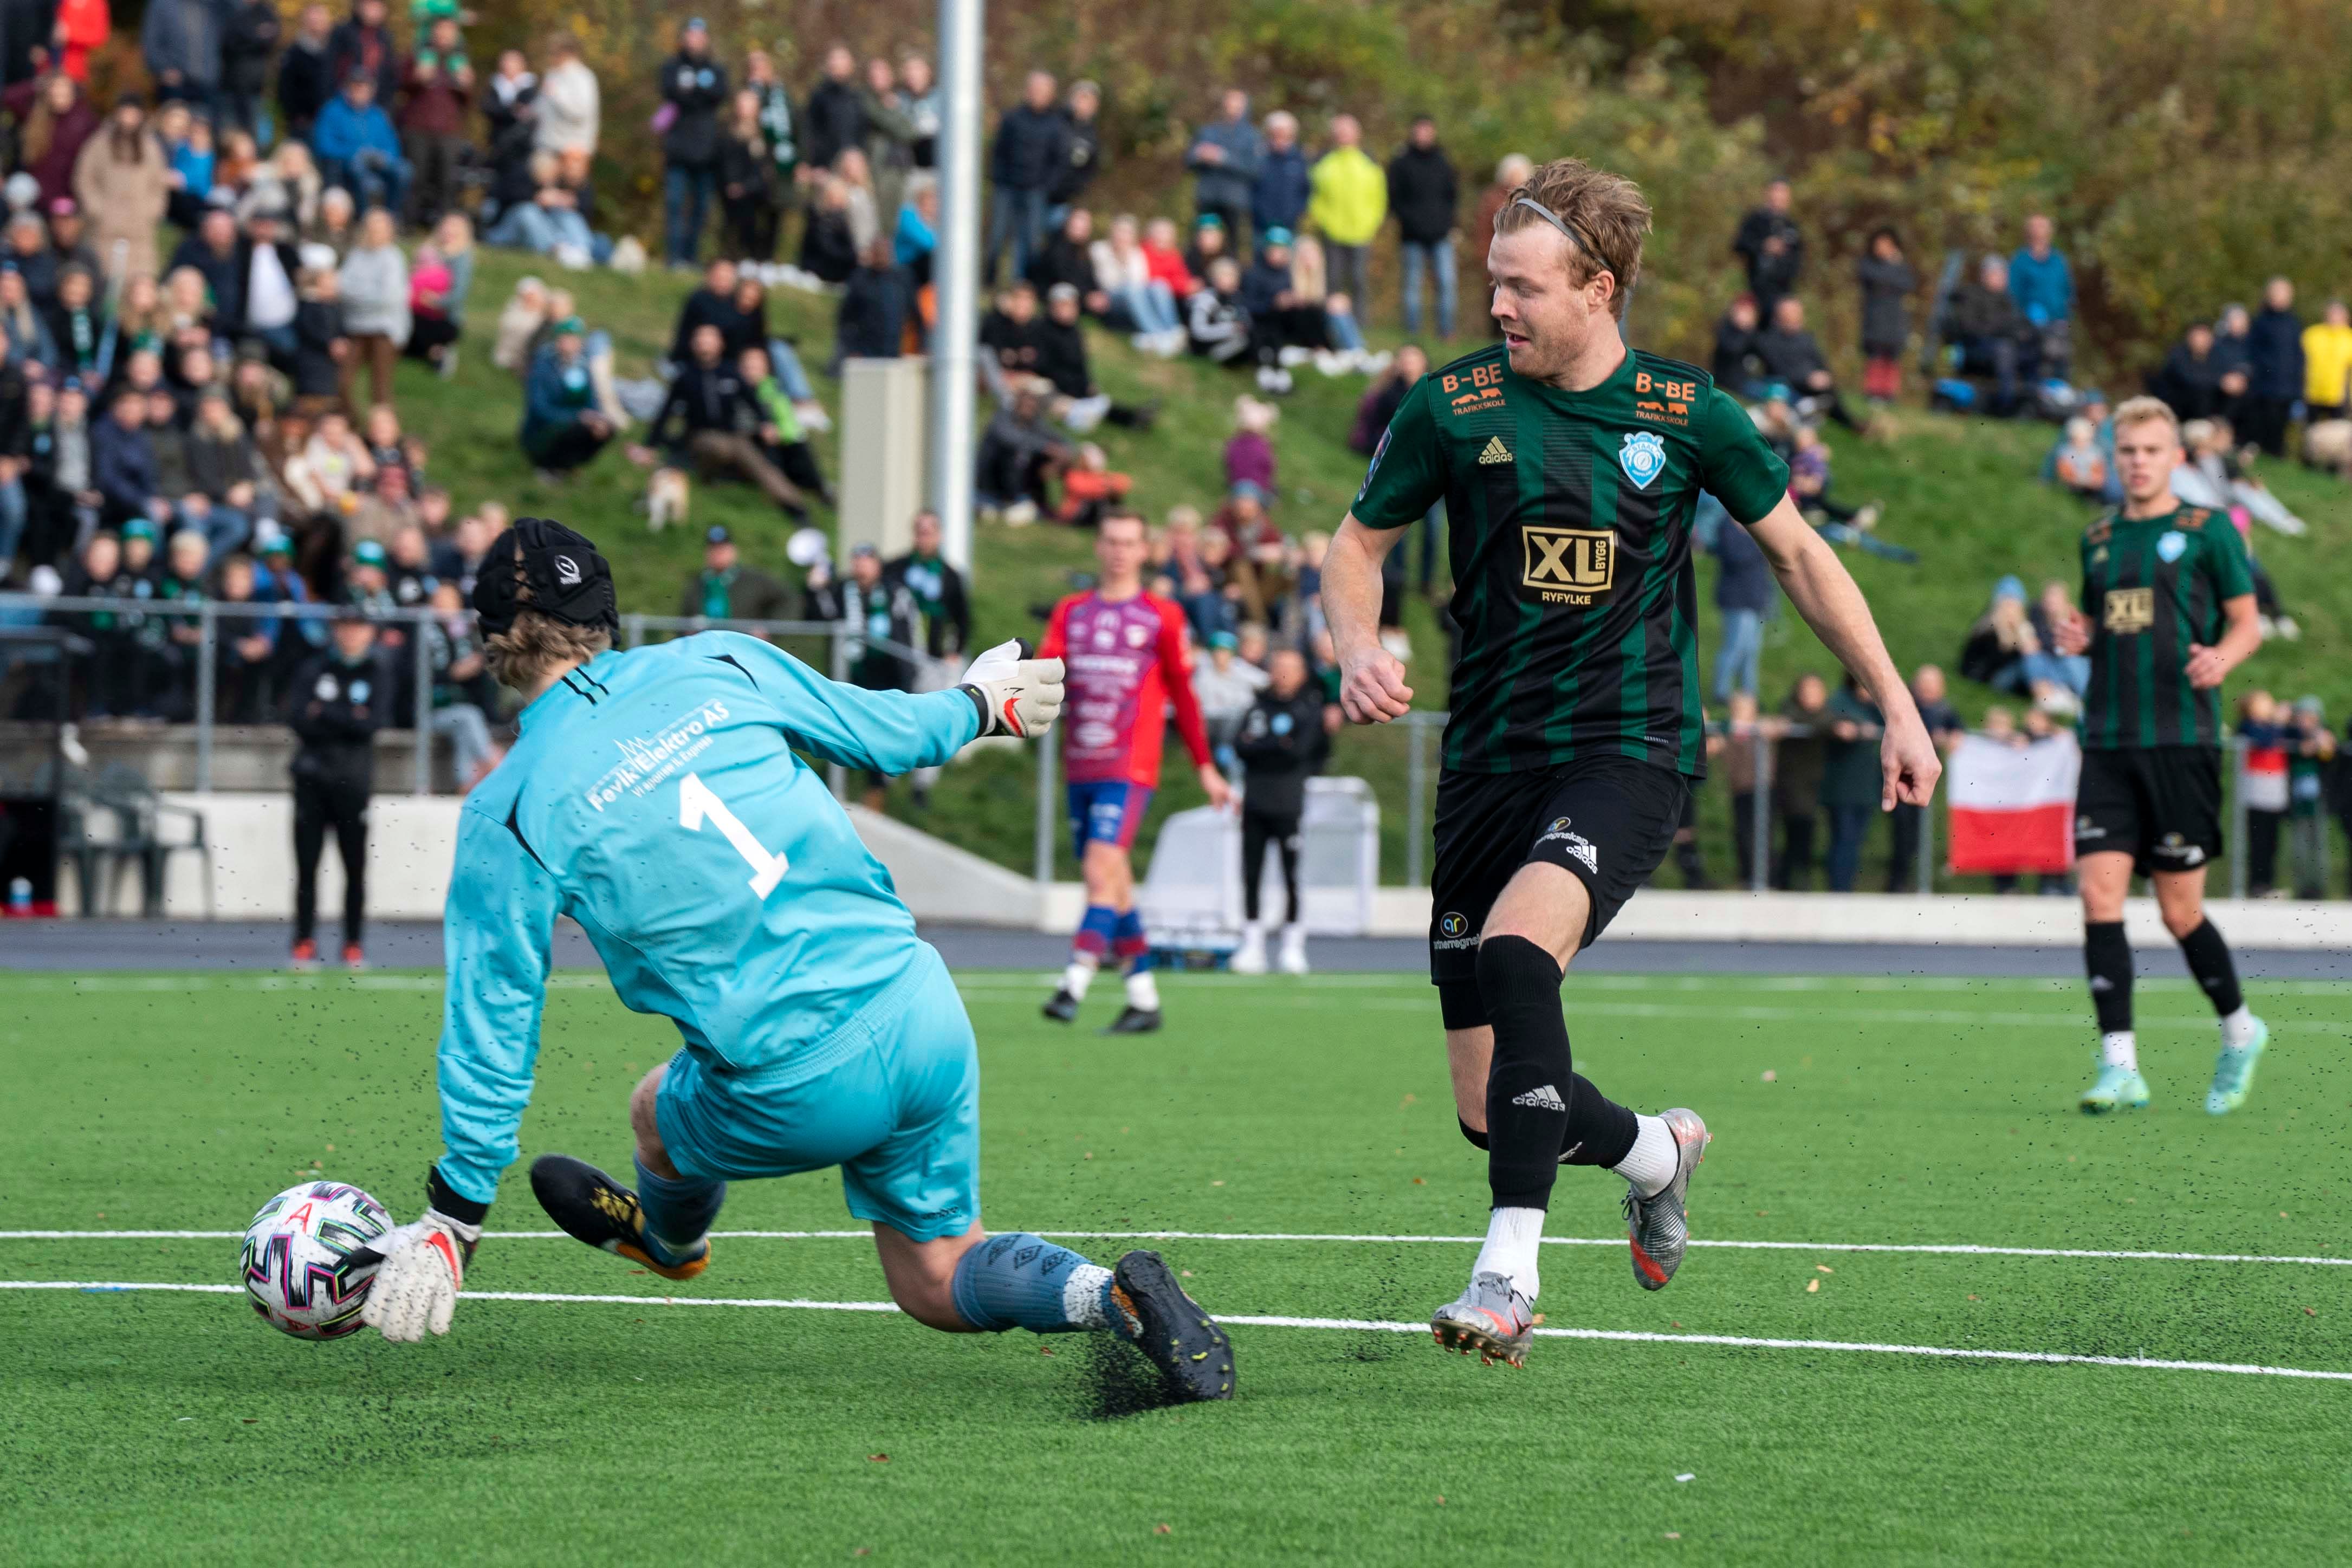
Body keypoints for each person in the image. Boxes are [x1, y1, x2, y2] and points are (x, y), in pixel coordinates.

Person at [352, 521, 1233, 1407]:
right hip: (920, 1008)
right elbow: (887, 733)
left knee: (655, 1108)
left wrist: (456, 1212)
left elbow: (496, 1016)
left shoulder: (506, 809)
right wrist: (978, 701)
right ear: (606, 612)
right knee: (940, 1271)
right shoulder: (721, 659)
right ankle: (1112, 1295)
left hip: (794, 1085)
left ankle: (671, 1245)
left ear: (487, 638)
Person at [1327, 155, 1938, 1368]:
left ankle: (1508, 1275)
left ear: (1597, 288)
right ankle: (1658, 1152)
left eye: (1521, 286)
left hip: (1627, 750)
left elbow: (1801, 558)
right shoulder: (1452, 406)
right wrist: (1355, 642)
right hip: (1486, 763)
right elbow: (1355, 546)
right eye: (1492, 281)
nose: (1496, 305)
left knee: (1517, 953)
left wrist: (1897, 704)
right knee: (1485, 1104)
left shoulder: (1686, 411)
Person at [2040, 397, 2266, 1114]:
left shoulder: (2208, 530)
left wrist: (2223, 656)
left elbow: (2247, 621)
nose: (2138, 462)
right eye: (2128, 451)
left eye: (2151, 450)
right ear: (2114, 457)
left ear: (2176, 457)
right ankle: (2120, 1066)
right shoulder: (2099, 537)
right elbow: (2103, 623)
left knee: (2178, 910)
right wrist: (2082, 638)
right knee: (2098, 896)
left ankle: (2240, 1030)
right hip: (2108, 741)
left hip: (2181, 740)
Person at [1038, 509, 1230, 1032]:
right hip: (1081, 762)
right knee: (1115, 879)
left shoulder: (1161, 615)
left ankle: (1073, 981)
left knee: (1099, 870)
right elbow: (1044, 672)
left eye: (1129, 542)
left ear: (1145, 551)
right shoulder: (1071, 611)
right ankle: (1143, 999)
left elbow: (1184, 695)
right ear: (1098, 547)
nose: (1119, 551)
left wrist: (1206, 766)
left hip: (1130, 763)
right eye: (1111, 541)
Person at [287, 604, 388, 969]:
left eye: (358, 627)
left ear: (369, 632)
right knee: (307, 866)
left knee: (355, 868)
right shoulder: (313, 669)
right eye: (345, 626)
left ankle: (353, 944)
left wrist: (326, 712)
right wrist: (348, 716)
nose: (351, 634)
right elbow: (298, 719)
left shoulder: (376, 671)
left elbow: (372, 724)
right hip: (312, 780)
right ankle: (303, 942)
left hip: (353, 783)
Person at [1228, 645, 1330, 977]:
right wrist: (1276, 744)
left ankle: (1293, 946)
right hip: (1255, 803)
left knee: (1292, 875)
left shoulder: (1308, 710)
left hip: (1289, 805)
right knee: (1251, 874)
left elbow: (1299, 751)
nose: (1283, 674)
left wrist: (1263, 746)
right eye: (1279, 667)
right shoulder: (1257, 708)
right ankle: (1252, 945)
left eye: (1291, 668)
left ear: (1301, 674)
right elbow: (1241, 747)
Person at [636, 321, 807, 518]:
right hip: (700, 437)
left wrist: (766, 423)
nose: (705, 342)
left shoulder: (730, 372)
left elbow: (753, 401)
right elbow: (665, 413)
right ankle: (714, 476)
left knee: (760, 465)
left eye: (710, 338)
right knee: (727, 449)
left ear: (720, 344)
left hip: (734, 436)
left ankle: (795, 506)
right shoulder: (686, 377)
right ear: (694, 344)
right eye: (701, 338)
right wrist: (650, 446)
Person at [73, 94, 170, 281]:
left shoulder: (150, 146)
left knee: (139, 283)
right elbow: (84, 178)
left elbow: (158, 184)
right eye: (125, 112)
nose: (128, 119)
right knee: (102, 280)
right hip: (104, 228)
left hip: (140, 231)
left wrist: (151, 211)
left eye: (133, 113)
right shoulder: (99, 143)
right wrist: (96, 209)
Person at [657, 20, 728, 269]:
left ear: (706, 39)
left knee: (701, 208)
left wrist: (690, 93)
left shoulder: (716, 69)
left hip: (706, 152)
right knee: (675, 204)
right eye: (690, 35)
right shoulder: (672, 66)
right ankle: (674, 258)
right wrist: (697, 94)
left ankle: (691, 257)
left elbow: (718, 95)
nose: (694, 40)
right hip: (677, 150)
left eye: (698, 35)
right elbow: (670, 92)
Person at [983, 68, 1064, 285]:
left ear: (1051, 94)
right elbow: (999, 152)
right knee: (997, 237)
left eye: (1043, 90)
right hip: (1007, 188)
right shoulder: (1012, 118)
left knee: (1032, 242)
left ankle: (1027, 287)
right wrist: (999, 179)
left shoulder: (1055, 124)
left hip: (1035, 190)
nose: (1037, 94)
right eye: (1034, 89)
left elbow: (1058, 160)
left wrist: (1046, 186)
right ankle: (988, 283)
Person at [1886, 664, 1963, 890]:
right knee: (1903, 830)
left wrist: (1952, 737)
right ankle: (1898, 882)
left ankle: (1912, 880)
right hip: (1902, 777)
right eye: (1924, 685)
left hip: (1925, 778)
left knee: (1918, 833)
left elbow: (1958, 730)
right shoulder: (1907, 706)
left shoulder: (1944, 709)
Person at [1387, 115, 1459, 339]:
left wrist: (1448, 223)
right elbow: (1394, 199)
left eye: (1427, 130)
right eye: (1420, 130)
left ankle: (1446, 332)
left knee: (1446, 283)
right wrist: (1411, 222)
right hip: (1412, 236)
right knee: (1412, 286)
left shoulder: (1443, 162)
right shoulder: (1401, 163)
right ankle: (1413, 334)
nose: (1423, 135)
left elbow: (1452, 197)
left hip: (1441, 235)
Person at [398, 15, 474, 227]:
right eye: (441, 29)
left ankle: (445, 227)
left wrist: (467, 84)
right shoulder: (418, 54)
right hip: (418, 127)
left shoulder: (459, 60)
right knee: (416, 178)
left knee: (448, 180)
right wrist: (417, 78)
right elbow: (401, 85)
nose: (444, 35)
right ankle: (409, 223)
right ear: (433, 32)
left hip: (448, 130)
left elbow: (467, 101)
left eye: (450, 30)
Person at [1307, 113, 1383, 318]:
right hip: (1332, 231)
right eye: (1339, 132)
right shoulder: (1324, 163)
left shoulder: (1369, 163)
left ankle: (1360, 321)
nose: (1343, 136)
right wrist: (1323, 220)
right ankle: (1333, 320)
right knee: (1333, 279)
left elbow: (1379, 198)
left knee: (1359, 279)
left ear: (1357, 134)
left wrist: (1371, 223)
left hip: (1361, 232)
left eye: (1347, 132)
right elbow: (1315, 196)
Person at [519, 316, 613, 478]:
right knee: (575, 428)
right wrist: (576, 417)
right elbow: (539, 408)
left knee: (606, 429)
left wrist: (597, 418)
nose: (569, 343)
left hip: (576, 422)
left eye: (574, 338)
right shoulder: (542, 366)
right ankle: (547, 465)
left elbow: (592, 399)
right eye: (565, 337)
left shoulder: (582, 366)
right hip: (543, 428)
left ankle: (568, 464)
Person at [1949, 254, 2037, 416]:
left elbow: (2020, 323)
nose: (2002, 279)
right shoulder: (1970, 296)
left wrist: (2028, 333)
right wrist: (2001, 329)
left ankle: (2032, 402)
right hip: (1977, 347)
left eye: (2004, 275)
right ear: (1985, 275)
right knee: (2004, 350)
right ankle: (2005, 404)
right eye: (1998, 274)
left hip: (2006, 345)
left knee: (2036, 349)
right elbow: (1969, 328)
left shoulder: (2007, 300)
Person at [1755, 296, 1862, 431]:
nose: (1796, 318)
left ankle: (1848, 422)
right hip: (1792, 385)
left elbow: (1820, 362)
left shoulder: (1806, 338)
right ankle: (1844, 422)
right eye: (1791, 314)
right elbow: (1778, 370)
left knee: (1828, 388)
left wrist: (1825, 375)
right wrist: (1808, 379)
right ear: (1780, 316)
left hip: (1815, 382)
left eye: (1797, 314)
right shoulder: (1769, 341)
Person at [312, 72, 407, 218]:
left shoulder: (378, 115)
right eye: (356, 87)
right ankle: (365, 218)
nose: (360, 92)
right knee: (358, 170)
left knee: (404, 171)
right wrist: (353, 153)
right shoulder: (332, 111)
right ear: (347, 88)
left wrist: (385, 157)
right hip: (346, 163)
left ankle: (391, 218)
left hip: (377, 163)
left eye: (364, 88)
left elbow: (392, 145)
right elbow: (324, 145)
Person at [884, 508, 971, 660]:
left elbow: (962, 618)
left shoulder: (950, 576)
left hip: (935, 655)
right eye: (919, 533)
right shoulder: (895, 569)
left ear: (939, 536)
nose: (923, 539)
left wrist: (956, 652)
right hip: (900, 653)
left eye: (928, 533)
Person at [1185, 88, 1262, 253]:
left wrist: (1223, 158)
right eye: (1229, 104)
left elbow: (1255, 169)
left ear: (1245, 108)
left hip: (1234, 202)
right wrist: (1199, 155)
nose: (1232, 108)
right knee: (1202, 246)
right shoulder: (1208, 131)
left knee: (1231, 249)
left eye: (1237, 105)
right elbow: (1188, 160)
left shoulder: (1251, 136)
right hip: (1207, 198)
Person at [677, 522, 790, 622]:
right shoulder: (698, 583)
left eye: (722, 549)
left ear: (733, 551)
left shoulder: (754, 580)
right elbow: (684, 618)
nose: (718, 553)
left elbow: (786, 599)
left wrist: (768, 630)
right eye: (713, 549)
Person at [2007, 213, 2073, 379]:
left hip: (2058, 323)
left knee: (2060, 365)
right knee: (2038, 367)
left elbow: (2067, 289)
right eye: (2035, 227)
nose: (2040, 232)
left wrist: (2065, 315)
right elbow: (2013, 294)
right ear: (2028, 232)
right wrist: (2024, 317)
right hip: (2030, 328)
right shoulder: (2020, 261)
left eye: (2043, 227)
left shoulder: (2059, 261)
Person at [2244, 276, 2303, 459]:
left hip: (2288, 386)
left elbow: (2298, 355)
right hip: (2265, 385)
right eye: (2276, 293)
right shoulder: (2260, 322)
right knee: (2266, 422)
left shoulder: (2294, 323)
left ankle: (2277, 456)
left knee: (2281, 425)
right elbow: (2252, 352)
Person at [1855, 228, 1914, 405]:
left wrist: (1893, 266)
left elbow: (1907, 284)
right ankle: (1873, 391)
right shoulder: (1868, 264)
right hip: (1875, 317)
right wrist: (1891, 269)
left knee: (1892, 356)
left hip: (1894, 318)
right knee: (1876, 355)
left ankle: (1889, 393)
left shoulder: (1900, 266)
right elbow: (1875, 279)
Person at [1731, 177, 1801, 316]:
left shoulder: (1791, 226)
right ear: (1768, 194)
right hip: (1756, 289)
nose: (1779, 197)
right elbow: (1739, 245)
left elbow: (1798, 258)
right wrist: (1764, 246)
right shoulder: (1755, 220)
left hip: (1783, 292)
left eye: (1783, 193)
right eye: (1777, 192)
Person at [1251, 111, 1308, 247]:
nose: (1279, 140)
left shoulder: (1299, 160)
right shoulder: (1259, 159)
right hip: (1261, 226)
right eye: (1275, 135)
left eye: (1284, 135)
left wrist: (1296, 212)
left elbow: (1305, 190)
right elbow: (1252, 189)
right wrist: (1259, 211)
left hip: (1290, 226)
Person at [2302, 299, 2352, 423]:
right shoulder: (2312, 335)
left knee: (2337, 430)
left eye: (2338, 314)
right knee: (2312, 430)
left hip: (2338, 396)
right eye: (2332, 314)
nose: (2334, 318)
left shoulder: (2349, 338)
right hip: (2313, 394)